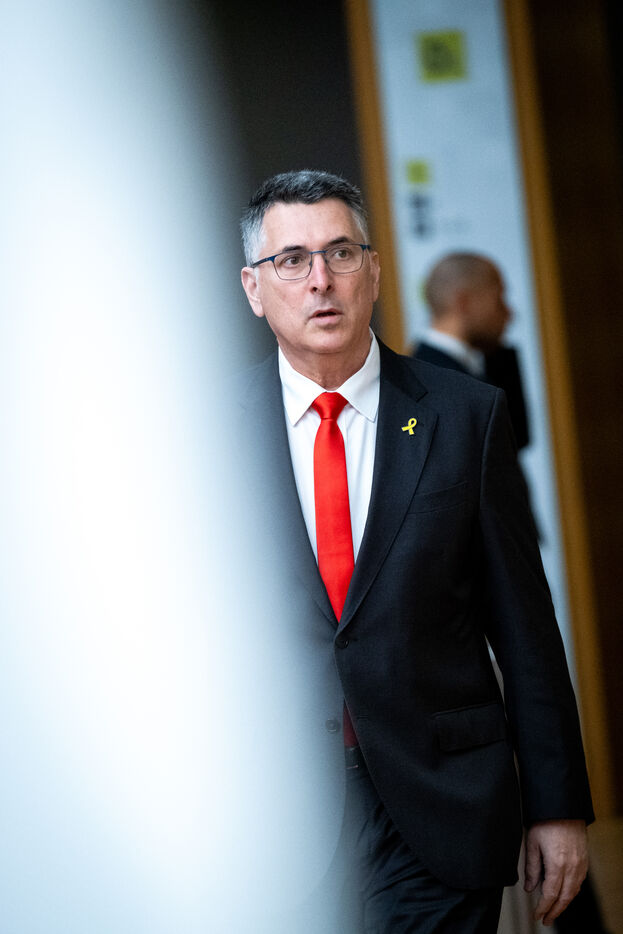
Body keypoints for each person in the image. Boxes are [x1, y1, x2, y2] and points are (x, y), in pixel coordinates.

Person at [237, 170, 593, 933]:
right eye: (291, 260)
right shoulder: (201, 428)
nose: (320, 280)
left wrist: (556, 806)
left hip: (440, 801)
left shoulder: (465, 417)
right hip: (270, 814)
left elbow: (524, 628)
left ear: (373, 270)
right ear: (253, 288)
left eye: (340, 253)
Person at [414, 252, 529, 451]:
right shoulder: (427, 383)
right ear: (463, 302)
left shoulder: (486, 365)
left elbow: (517, 440)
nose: (510, 314)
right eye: (499, 300)